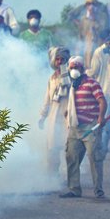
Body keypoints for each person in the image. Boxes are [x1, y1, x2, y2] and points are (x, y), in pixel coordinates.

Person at [60, 56, 106, 198]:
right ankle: (74, 189)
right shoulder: (72, 85)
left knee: (94, 158)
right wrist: (68, 112)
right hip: (75, 127)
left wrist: (101, 117)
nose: (74, 69)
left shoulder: (92, 83)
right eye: (72, 67)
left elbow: (102, 101)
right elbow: (72, 103)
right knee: (71, 157)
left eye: (77, 66)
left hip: (90, 126)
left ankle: (98, 191)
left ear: (82, 68)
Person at [38, 47, 71, 178]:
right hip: (53, 118)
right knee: (52, 150)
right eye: (57, 59)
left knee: (69, 149)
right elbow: (47, 100)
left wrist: (65, 72)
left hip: (67, 117)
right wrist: (42, 116)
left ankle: (72, 178)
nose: (59, 61)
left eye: (62, 59)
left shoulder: (71, 76)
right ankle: (52, 178)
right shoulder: (51, 78)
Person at [68, 0, 110, 68]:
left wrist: (95, 18)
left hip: (99, 42)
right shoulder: (84, 17)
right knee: (87, 64)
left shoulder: (102, 8)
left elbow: (105, 27)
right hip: (87, 44)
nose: (90, 6)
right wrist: (78, 23)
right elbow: (80, 35)